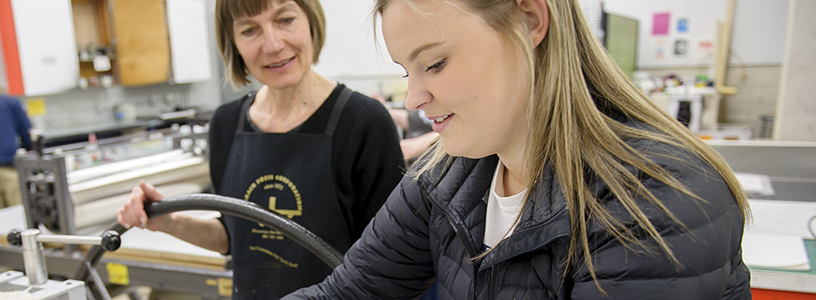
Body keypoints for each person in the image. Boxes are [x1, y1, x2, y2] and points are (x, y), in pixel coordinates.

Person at [286, 0, 750, 299]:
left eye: (435, 64)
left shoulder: (658, 196)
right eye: (409, 72)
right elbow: (345, 293)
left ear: (529, 21)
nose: (414, 99)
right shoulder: (445, 179)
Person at [116, 0, 406, 298]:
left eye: (285, 20)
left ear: (311, 21)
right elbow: (234, 236)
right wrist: (167, 220)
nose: (272, 44)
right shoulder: (227, 123)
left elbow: (394, 260)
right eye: (250, 30)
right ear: (233, 43)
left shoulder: (363, 122)